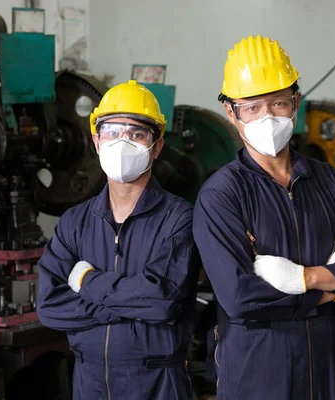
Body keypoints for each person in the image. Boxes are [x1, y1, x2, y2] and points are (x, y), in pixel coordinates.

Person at [192, 35, 335, 399]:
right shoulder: (220, 195)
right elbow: (240, 297)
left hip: (329, 362)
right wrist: (334, 289)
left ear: (296, 103)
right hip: (258, 367)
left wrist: (309, 277)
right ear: (232, 113)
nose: (267, 117)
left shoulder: (330, 182)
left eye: (278, 103)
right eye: (252, 108)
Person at [37, 80, 199, 400]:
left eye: (137, 134)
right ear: (97, 142)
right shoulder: (75, 223)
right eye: (112, 132)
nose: (122, 142)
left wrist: (88, 281)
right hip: (89, 382)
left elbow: (162, 301)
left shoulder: (179, 219)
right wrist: (122, 305)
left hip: (156, 383)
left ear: (157, 146)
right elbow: (49, 308)